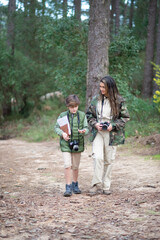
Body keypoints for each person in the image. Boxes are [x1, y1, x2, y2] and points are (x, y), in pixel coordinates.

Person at [86, 75, 130, 195]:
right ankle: (96, 184)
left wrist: (113, 125)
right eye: (100, 87)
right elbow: (89, 115)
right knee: (98, 157)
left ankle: (106, 186)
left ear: (110, 87)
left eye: (103, 87)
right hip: (98, 133)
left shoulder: (119, 101)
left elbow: (125, 118)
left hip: (112, 133)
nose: (101, 89)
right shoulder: (96, 99)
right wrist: (95, 124)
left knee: (109, 160)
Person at [55, 94, 89, 197]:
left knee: (75, 166)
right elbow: (56, 128)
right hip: (66, 144)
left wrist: (84, 131)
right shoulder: (62, 115)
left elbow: (87, 128)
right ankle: (68, 186)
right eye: (71, 107)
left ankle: (75, 184)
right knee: (67, 165)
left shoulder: (82, 115)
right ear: (67, 106)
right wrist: (62, 134)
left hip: (77, 144)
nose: (74, 109)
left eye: (76, 106)